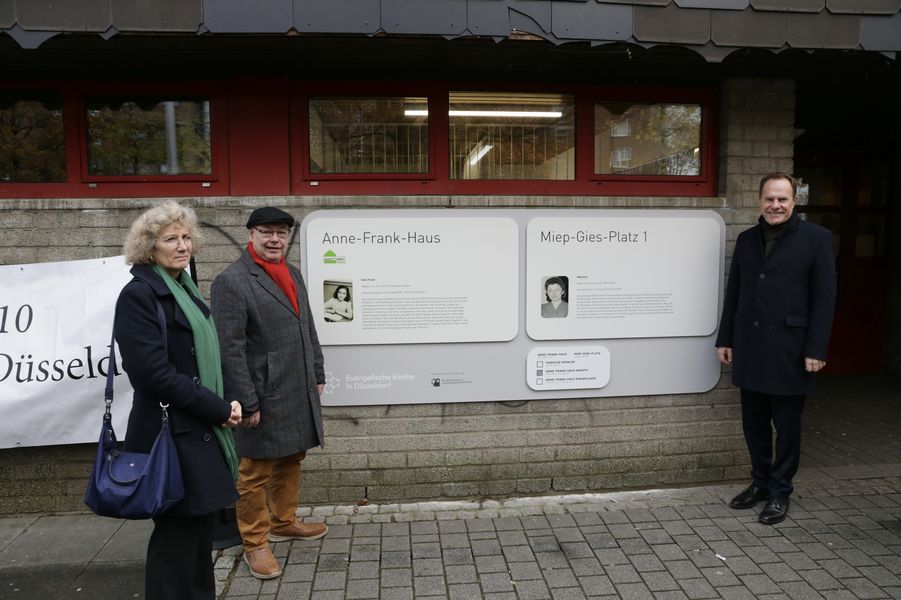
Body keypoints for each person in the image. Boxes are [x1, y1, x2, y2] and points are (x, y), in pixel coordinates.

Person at [114, 201, 241, 600]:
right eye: (171, 239)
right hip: (170, 435)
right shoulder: (139, 295)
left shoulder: (183, 287)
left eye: (186, 237)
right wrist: (218, 408)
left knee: (199, 538)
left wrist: (231, 398)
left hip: (196, 432)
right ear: (149, 247)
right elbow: (153, 375)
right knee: (176, 542)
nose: (182, 245)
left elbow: (209, 356)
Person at [210, 207, 327, 580]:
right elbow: (229, 348)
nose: (275, 239)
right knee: (254, 473)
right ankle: (255, 543)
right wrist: (245, 400)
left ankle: (283, 522)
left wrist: (318, 372)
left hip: (297, 386)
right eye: (267, 232)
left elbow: (307, 327)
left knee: (292, 459)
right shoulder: (232, 281)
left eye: (281, 232)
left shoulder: (292, 274)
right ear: (251, 235)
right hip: (262, 394)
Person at [715, 173, 836, 525]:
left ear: (794, 201)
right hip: (751, 347)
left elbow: (825, 298)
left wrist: (817, 348)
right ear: (759, 200)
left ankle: (781, 491)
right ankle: (760, 483)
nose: (775, 205)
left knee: (786, 427)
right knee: (753, 424)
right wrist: (726, 338)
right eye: (769, 199)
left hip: (791, 350)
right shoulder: (748, 239)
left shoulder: (817, 239)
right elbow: (735, 291)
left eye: (782, 199)